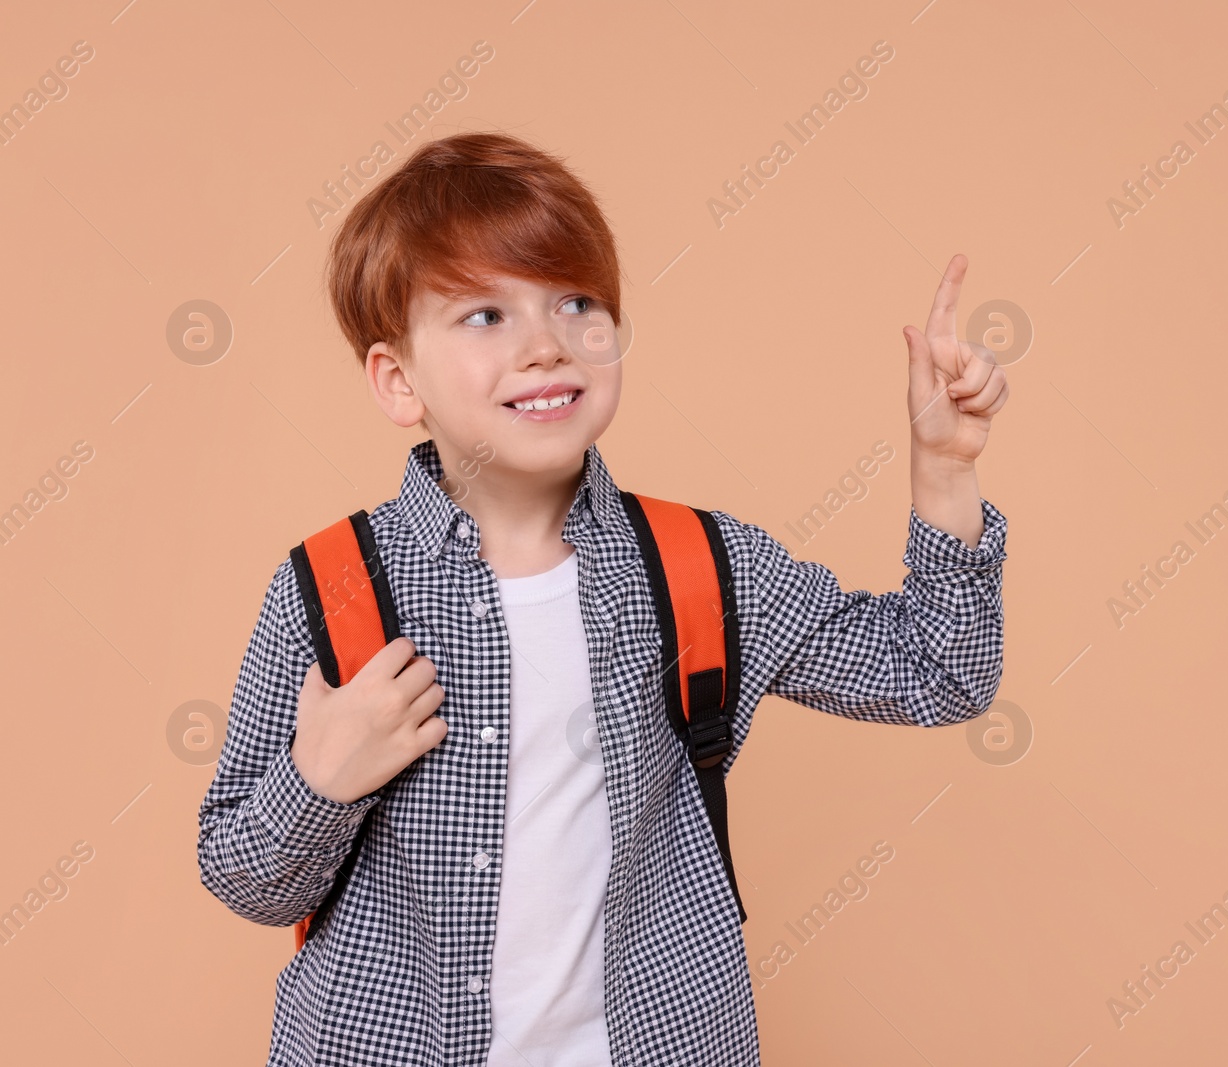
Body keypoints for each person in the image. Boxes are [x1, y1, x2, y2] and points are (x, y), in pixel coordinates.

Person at [196, 131, 1010, 1067]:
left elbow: (941, 673)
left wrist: (944, 471)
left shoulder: (702, 565)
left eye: (576, 302)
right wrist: (321, 781)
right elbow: (245, 877)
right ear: (397, 381)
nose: (546, 345)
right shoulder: (330, 587)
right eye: (483, 316)